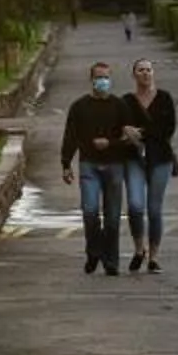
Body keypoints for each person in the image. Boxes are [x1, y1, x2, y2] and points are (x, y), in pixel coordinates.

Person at [58, 60, 137, 276]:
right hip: (89, 165)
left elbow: (130, 137)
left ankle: (111, 261)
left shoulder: (120, 106)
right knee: (90, 211)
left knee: (112, 218)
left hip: (114, 165)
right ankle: (94, 251)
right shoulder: (79, 107)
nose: (102, 81)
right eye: (98, 77)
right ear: (91, 80)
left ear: (110, 80)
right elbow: (70, 136)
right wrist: (66, 164)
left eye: (106, 77)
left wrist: (110, 143)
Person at [122, 55, 178, 274]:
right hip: (134, 158)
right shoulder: (126, 101)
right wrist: (125, 132)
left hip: (160, 159)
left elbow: (168, 128)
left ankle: (154, 257)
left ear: (153, 73)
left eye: (148, 70)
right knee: (136, 206)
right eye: (140, 70)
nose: (145, 73)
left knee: (154, 209)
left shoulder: (164, 98)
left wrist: (141, 133)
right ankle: (139, 249)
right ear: (134, 75)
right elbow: (120, 126)